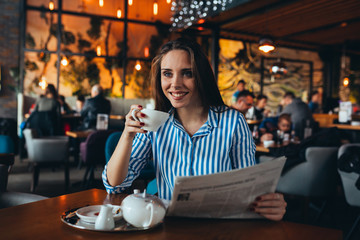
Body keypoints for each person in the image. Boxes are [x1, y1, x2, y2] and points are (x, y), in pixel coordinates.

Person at [103, 38, 286, 221]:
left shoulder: (233, 122)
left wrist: (269, 206)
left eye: (187, 73)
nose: (175, 84)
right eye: (167, 74)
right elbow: (114, 186)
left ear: (201, 77)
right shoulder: (155, 123)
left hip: (218, 228)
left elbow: (248, 189)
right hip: (169, 227)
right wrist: (127, 134)